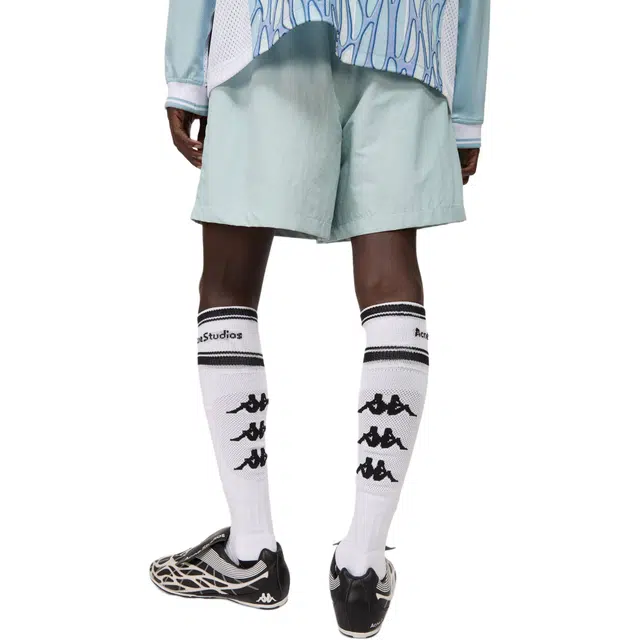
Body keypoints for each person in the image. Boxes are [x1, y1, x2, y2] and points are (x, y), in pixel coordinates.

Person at [149, 1, 490, 637]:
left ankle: (251, 549)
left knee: (228, 284)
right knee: (392, 280)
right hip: (406, 34)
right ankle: (363, 564)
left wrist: (186, 75)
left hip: (269, 31)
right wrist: (465, 108)